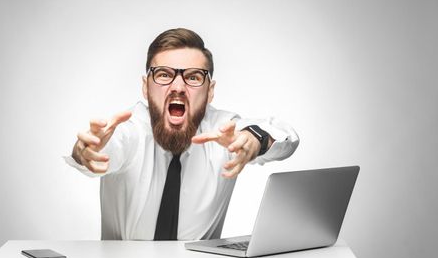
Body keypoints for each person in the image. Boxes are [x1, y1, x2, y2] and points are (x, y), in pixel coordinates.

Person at [65, 28, 299, 240]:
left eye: (193, 77)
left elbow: (284, 136)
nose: (178, 87)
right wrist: (86, 151)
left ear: (210, 92)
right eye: (164, 74)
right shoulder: (131, 128)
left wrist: (254, 140)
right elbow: (109, 147)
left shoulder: (222, 132)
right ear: (146, 87)